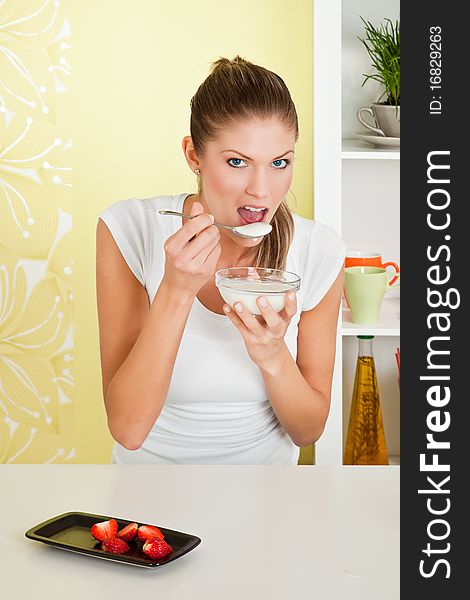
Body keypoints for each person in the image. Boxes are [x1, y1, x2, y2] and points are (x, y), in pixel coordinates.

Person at [96, 56, 346, 465]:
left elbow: (308, 432)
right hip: (148, 503)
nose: (261, 190)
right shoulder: (129, 228)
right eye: (237, 162)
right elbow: (128, 429)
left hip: (268, 501)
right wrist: (176, 290)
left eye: (279, 163)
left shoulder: (319, 250)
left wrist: (271, 354)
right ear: (194, 155)